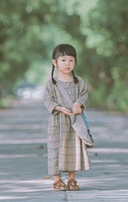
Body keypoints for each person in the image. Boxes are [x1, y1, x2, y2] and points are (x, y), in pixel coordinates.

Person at [42, 44, 91, 191]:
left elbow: (85, 95)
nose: (67, 64)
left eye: (71, 60)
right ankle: (57, 180)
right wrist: (58, 108)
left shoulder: (79, 82)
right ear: (54, 62)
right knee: (55, 149)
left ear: (75, 62)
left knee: (73, 149)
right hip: (57, 123)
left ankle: (71, 179)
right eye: (63, 60)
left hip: (74, 123)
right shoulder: (51, 83)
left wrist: (79, 103)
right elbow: (48, 99)